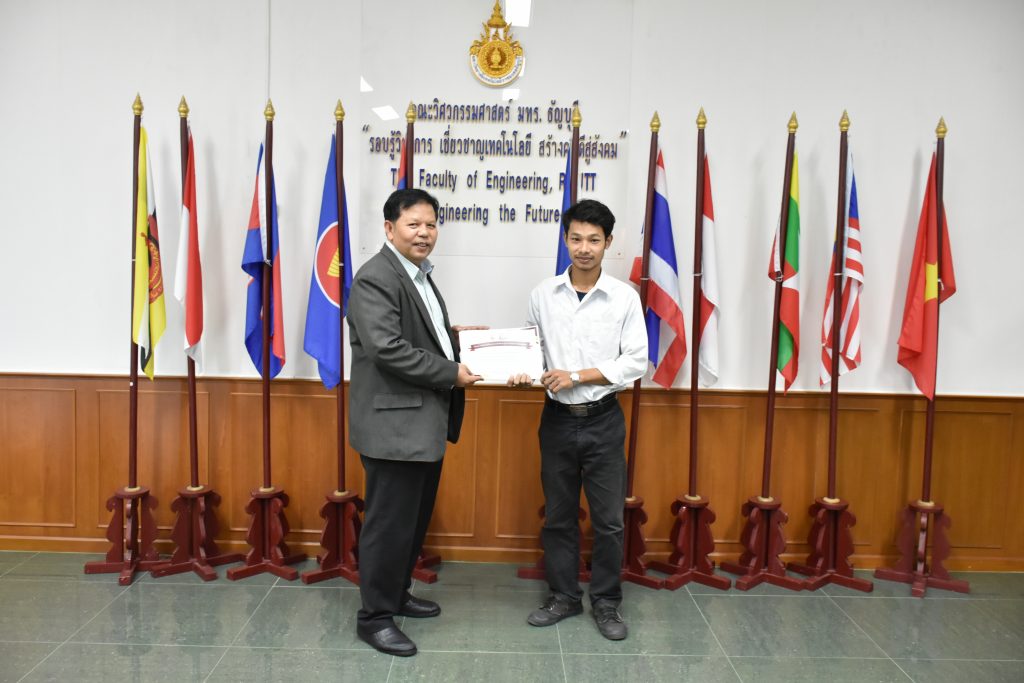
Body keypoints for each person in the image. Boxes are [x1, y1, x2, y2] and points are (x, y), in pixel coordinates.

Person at [347, 188, 482, 657]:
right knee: (388, 526)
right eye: (413, 224)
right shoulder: (376, 277)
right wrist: (452, 371)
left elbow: (419, 336)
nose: (424, 233)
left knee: (411, 522)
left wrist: (458, 341)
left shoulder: (418, 274)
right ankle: (374, 618)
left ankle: (396, 594)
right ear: (389, 228)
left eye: (431, 225)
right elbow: (387, 348)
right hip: (394, 429)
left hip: (421, 425)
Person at [509, 199, 647, 641]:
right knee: (558, 517)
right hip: (556, 420)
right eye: (575, 239)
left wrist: (578, 376)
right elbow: (532, 351)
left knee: (609, 521)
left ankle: (606, 602)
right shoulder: (542, 295)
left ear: (608, 243)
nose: (584, 248)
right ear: (565, 240)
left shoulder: (624, 298)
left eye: (593, 240)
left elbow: (635, 362)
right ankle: (564, 596)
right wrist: (521, 371)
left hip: (603, 420)